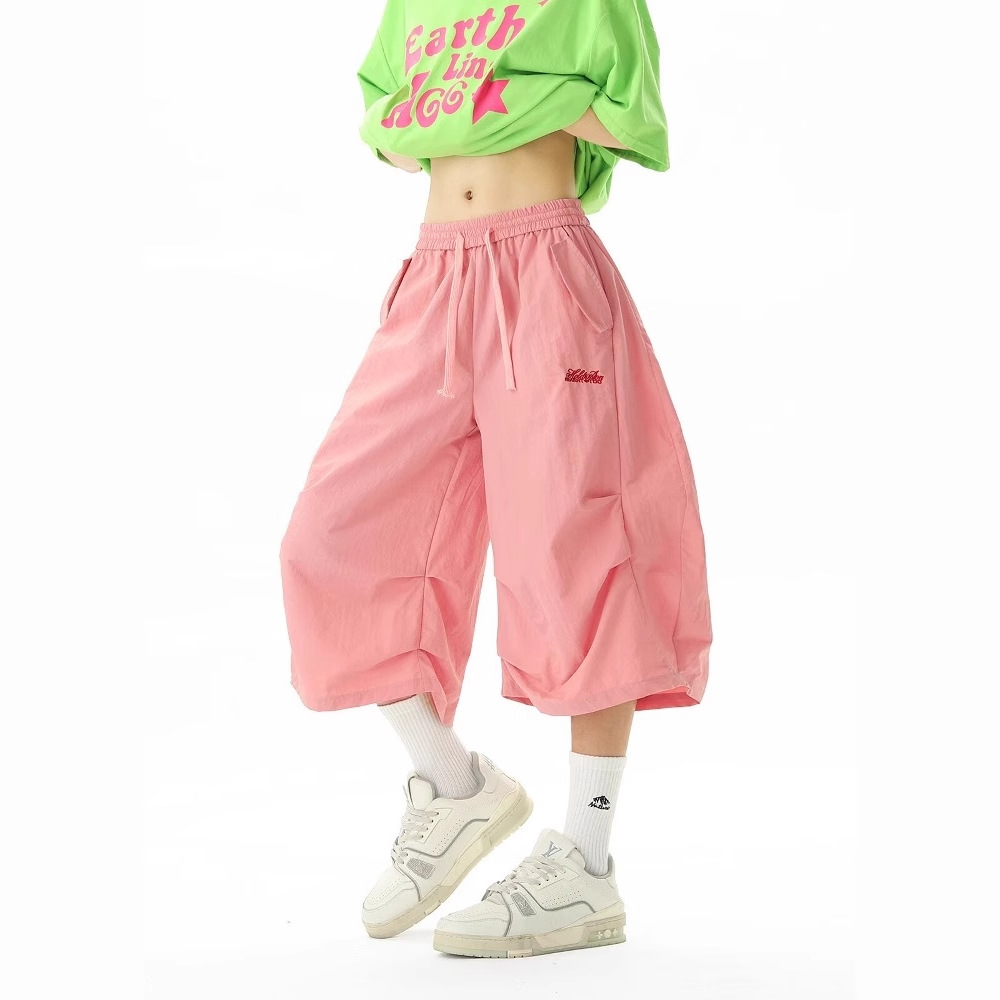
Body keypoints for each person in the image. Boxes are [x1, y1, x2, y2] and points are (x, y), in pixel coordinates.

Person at [278, 0, 712, 959]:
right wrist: (508, 99)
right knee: (331, 534)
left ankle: (586, 861)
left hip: (544, 267)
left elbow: (634, 123)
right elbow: (387, 133)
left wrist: (478, 99)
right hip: (433, 279)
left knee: (576, 553)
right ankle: (456, 785)